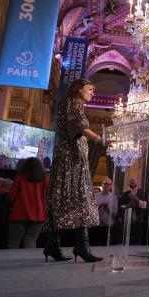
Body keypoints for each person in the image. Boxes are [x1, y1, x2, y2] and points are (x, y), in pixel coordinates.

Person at [45, 79, 103, 263]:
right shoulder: (71, 103)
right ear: (79, 89)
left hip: (74, 161)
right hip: (71, 161)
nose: (92, 93)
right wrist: (98, 138)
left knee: (68, 199)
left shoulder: (73, 104)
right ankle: (80, 246)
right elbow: (80, 126)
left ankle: (54, 245)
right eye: (90, 89)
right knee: (79, 199)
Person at [7, 157, 49, 249]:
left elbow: (11, 196)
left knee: (13, 243)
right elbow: (48, 197)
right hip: (39, 215)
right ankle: (28, 263)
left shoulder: (20, 177)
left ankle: (10, 263)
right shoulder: (45, 179)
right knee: (30, 241)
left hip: (19, 214)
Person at [92, 178, 118, 246]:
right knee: (94, 245)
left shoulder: (114, 197)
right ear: (102, 185)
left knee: (105, 246)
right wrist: (100, 206)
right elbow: (92, 211)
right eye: (105, 184)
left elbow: (115, 213)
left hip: (108, 226)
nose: (106, 185)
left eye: (108, 184)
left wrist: (107, 207)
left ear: (111, 186)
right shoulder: (95, 196)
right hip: (96, 225)